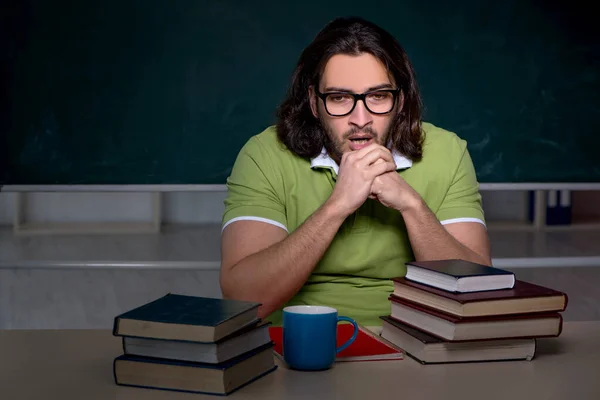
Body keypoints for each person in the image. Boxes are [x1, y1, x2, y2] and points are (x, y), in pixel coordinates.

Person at [219, 16, 492, 327]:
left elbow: (478, 293)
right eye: (339, 98)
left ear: (400, 100)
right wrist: (337, 206)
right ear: (313, 101)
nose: (360, 119)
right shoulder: (264, 155)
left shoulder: (447, 153)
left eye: (378, 97)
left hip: (412, 336)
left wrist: (412, 206)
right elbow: (243, 297)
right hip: (297, 338)